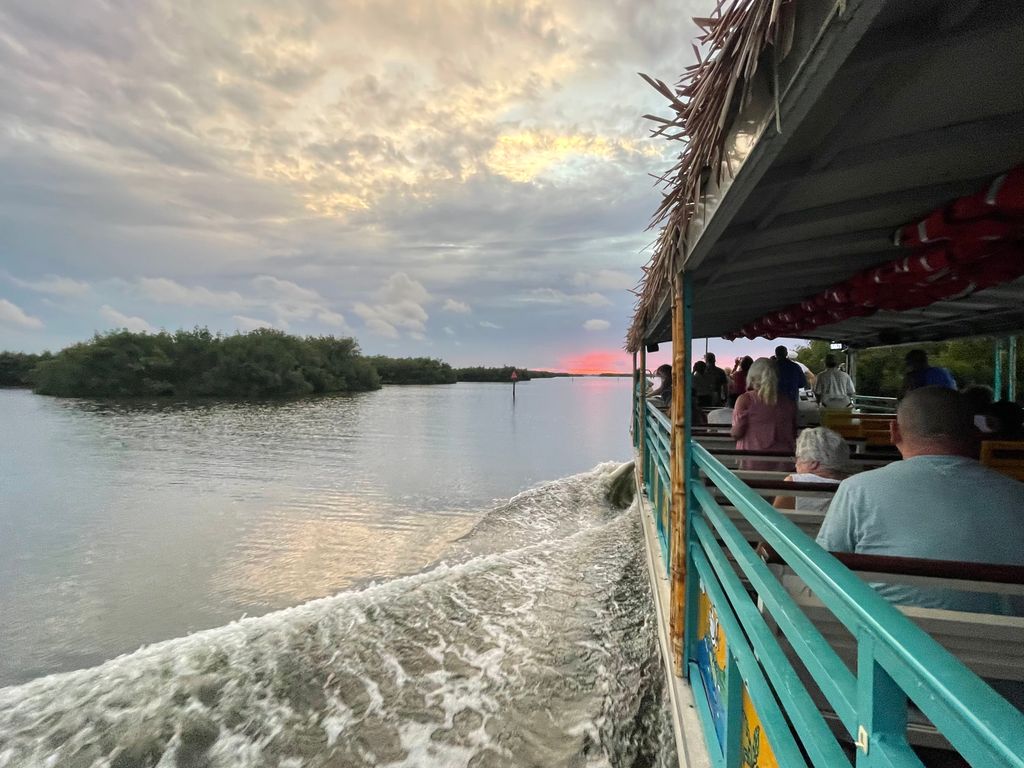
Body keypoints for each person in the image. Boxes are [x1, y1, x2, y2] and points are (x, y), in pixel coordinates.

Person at [816, 387, 1024, 614]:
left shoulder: (857, 490)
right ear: (975, 433)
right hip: (1005, 646)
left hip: (887, 640)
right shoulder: (1017, 495)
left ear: (893, 431)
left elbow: (822, 573)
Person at [731, 358, 797, 463]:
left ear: (752, 376)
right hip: (784, 460)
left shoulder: (745, 400)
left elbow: (737, 433)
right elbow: (793, 432)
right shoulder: (788, 401)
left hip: (752, 460)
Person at [773, 427, 850, 513]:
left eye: (798, 458)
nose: (796, 464)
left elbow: (773, 521)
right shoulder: (853, 484)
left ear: (813, 463)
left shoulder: (793, 483)